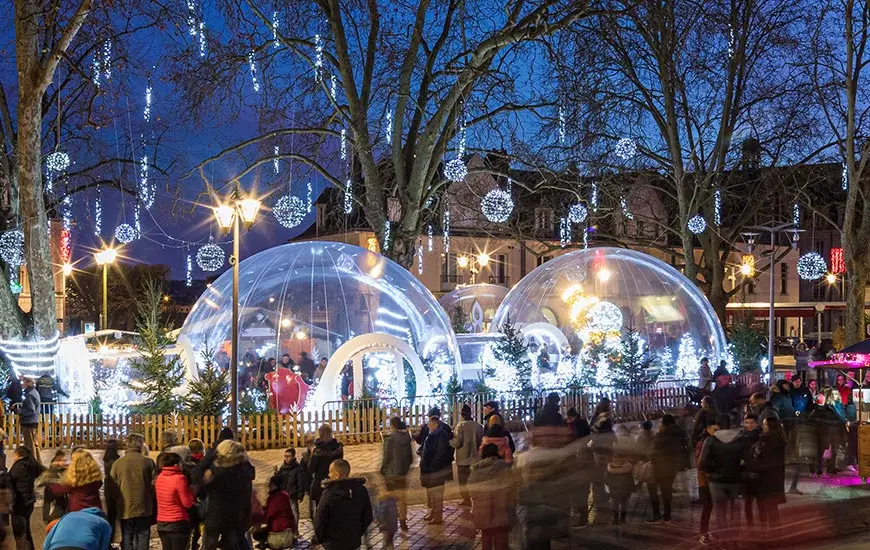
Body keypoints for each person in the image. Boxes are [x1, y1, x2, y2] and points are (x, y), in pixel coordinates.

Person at [200, 440, 255, 550]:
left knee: (211, 544)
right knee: (236, 542)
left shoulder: (217, 471)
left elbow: (202, 490)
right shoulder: (244, 469)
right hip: (237, 514)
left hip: (217, 514)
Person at [699, 415, 744, 542]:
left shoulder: (711, 441)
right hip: (735, 479)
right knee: (735, 511)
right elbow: (748, 460)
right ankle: (734, 539)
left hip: (716, 481)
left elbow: (702, 464)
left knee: (721, 512)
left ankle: (724, 541)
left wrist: (711, 471)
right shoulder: (740, 440)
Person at [313, 459, 373, 550]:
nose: (329, 475)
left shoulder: (329, 494)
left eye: (330, 471)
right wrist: (357, 533)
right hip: (354, 543)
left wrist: (320, 540)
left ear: (337, 475)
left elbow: (319, 520)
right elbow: (368, 517)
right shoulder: (361, 490)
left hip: (332, 544)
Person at [110, 433, 157, 550]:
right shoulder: (148, 462)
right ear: (140, 445)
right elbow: (155, 483)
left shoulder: (117, 464)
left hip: (125, 506)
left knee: (127, 536)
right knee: (142, 535)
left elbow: (112, 485)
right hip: (144, 505)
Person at [469, 443, 515, 550]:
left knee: (486, 536)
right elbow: (512, 487)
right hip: (503, 507)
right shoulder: (505, 467)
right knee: (501, 539)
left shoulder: (477, 469)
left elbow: (472, 490)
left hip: (483, 508)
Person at [646, 414, 686, 524]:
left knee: (652, 490)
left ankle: (656, 514)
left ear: (664, 424)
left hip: (658, 467)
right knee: (667, 491)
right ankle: (667, 515)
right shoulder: (679, 433)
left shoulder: (661, 436)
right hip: (672, 466)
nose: (659, 425)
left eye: (660, 422)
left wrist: (649, 456)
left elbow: (652, 452)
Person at [749, 417, 786, 527]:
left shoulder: (767, 441)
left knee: (766, 508)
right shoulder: (779, 440)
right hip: (775, 478)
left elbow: (761, 458)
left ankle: (769, 532)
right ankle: (775, 532)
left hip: (766, 478)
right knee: (772, 508)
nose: (763, 426)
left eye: (765, 424)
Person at [155, 451, 195, 550]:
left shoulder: (159, 477)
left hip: (162, 522)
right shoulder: (179, 478)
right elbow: (187, 503)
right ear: (176, 465)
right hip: (177, 522)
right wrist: (192, 494)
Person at [420, 415, 454, 524]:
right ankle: (433, 513)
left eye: (430, 424)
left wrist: (433, 466)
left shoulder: (440, 436)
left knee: (437, 494)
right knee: (433, 493)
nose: (428, 426)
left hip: (437, 470)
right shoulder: (432, 434)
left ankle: (438, 516)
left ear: (435, 425)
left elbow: (440, 453)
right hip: (431, 468)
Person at [380, 417, 412, 530]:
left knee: (390, 499)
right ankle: (403, 521)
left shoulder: (389, 439)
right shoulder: (406, 438)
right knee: (402, 499)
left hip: (391, 473)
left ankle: (390, 522)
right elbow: (410, 458)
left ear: (392, 425)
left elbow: (387, 457)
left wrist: (382, 470)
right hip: (402, 472)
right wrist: (405, 469)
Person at [450, 404, 484, 507]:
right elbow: (481, 441)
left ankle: (466, 499)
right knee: (474, 481)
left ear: (462, 414)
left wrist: (449, 441)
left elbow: (457, 443)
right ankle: (476, 499)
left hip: (463, 459)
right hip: (476, 458)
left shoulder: (460, 426)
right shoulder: (478, 426)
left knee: (463, 482)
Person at [9, 445, 42, 549]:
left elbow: (10, 480)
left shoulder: (18, 467)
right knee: (26, 530)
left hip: (19, 503)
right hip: (29, 502)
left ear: (19, 455)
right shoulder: (32, 464)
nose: (13, 458)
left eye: (14, 456)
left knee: (20, 533)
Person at [308, 424, 344, 518]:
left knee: (321, 512)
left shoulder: (318, 451)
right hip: (335, 481)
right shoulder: (338, 448)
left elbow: (311, 469)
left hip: (320, 484)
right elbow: (340, 463)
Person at [253, 475, 296, 550]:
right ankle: (264, 542)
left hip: (281, 528)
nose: (269, 485)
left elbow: (269, 514)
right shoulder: (278, 495)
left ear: (275, 485)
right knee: (259, 531)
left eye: (271, 484)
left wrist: (257, 517)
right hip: (283, 526)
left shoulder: (278, 497)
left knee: (257, 534)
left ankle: (267, 543)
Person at [43, 507, 113, 550]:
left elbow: (48, 540)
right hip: (83, 547)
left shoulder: (67, 516)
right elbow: (104, 547)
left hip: (56, 547)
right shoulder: (104, 523)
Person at [808, 393, 844, 476]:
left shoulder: (812, 409)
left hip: (814, 433)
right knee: (821, 452)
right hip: (825, 434)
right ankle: (819, 470)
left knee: (814, 453)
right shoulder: (828, 410)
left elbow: (808, 421)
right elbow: (835, 420)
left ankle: (813, 470)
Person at [275, 448, 307, 535]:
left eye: (288, 456)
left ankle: (295, 530)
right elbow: (280, 480)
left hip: (293, 494)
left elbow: (301, 482)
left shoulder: (297, 468)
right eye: (285, 456)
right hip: (283, 494)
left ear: (293, 457)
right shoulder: (283, 467)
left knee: (294, 512)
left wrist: (300, 495)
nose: (286, 458)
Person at [605, 451, 634, 526]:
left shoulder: (610, 468)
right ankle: (623, 519)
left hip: (615, 489)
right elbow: (630, 479)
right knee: (624, 504)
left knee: (615, 504)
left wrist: (610, 486)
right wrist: (632, 488)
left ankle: (615, 519)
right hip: (625, 489)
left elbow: (607, 480)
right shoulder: (628, 467)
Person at [19, 377, 41, 464]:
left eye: (23, 382)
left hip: (28, 421)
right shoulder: (34, 392)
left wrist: (20, 411)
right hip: (33, 421)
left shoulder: (29, 394)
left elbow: (30, 410)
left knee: (30, 445)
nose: (21, 384)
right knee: (35, 444)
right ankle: (38, 463)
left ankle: (32, 464)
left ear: (28, 383)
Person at [103, 439, 120, 543]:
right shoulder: (117, 460)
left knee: (111, 515)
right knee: (120, 514)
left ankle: (110, 540)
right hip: (116, 486)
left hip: (108, 486)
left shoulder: (106, 459)